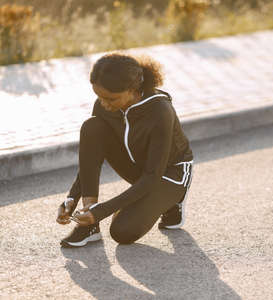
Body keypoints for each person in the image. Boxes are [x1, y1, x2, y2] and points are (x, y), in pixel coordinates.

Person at [56, 53, 194, 247]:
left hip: (169, 174)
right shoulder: (105, 106)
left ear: (132, 90)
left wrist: (101, 212)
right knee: (92, 127)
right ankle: (88, 227)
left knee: (123, 231)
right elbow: (90, 159)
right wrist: (72, 199)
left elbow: (152, 175)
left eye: (111, 99)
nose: (104, 104)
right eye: (99, 97)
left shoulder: (160, 111)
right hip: (138, 167)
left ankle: (174, 201)